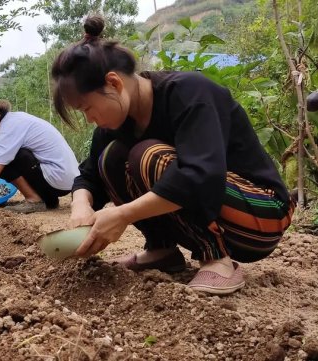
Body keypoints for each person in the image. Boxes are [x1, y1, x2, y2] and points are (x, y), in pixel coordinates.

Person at [50, 15, 294, 295]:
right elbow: (90, 174)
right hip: (226, 210)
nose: (90, 119)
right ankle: (161, 249)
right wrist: (81, 205)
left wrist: (122, 215)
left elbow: (200, 175)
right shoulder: (116, 124)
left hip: (260, 214)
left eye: (86, 108)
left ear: (114, 83)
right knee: (111, 157)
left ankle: (216, 258)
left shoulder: (189, 93)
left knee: (148, 155)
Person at [0, 97, 80, 223]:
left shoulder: (8, 129)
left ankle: (33, 200)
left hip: (57, 177)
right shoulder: (14, 120)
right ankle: (48, 200)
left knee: (2, 161)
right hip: (64, 179)